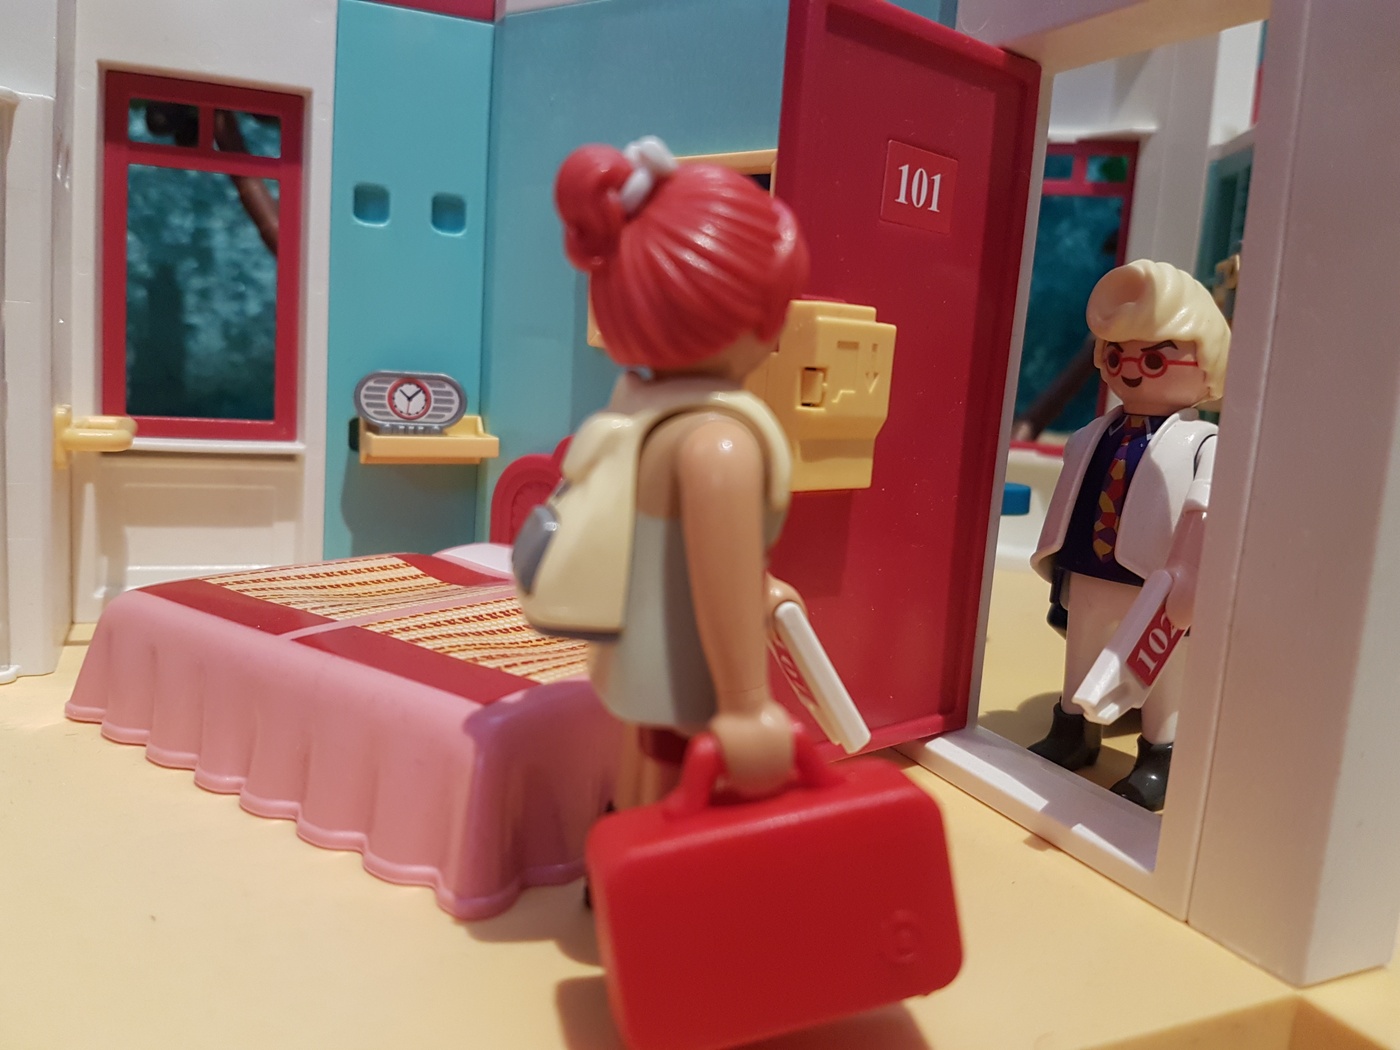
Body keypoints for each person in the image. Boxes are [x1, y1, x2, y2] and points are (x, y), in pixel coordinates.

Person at [532, 135, 810, 807]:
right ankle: (636, 863)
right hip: (689, 664)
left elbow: (677, 549)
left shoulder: (641, 404)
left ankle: (611, 855)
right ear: (753, 314)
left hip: (639, 652)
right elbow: (716, 575)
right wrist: (746, 708)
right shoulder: (719, 444)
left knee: (643, 755)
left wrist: (762, 586)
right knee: (674, 785)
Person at [1028, 259, 1230, 811]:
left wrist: (1189, 578)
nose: (1133, 370)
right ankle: (1073, 731)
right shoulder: (1095, 433)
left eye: (1156, 357)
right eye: (1117, 356)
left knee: (1159, 669)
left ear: (1205, 363)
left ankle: (1159, 754)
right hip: (1089, 569)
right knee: (1081, 656)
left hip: (1158, 582)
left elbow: (1206, 508)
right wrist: (1058, 572)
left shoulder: (1203, 443)